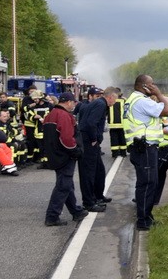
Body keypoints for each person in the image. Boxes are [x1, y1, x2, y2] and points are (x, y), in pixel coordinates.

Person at [124, 74, 168, 231]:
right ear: (144, 86)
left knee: (147, 183)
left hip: (141, 147)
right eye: (152, 84)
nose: (154, 86)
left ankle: (147, 216)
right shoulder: (142, 101)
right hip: (145, 148)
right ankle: (143, 220)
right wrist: (158, 94)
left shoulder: (132, 99)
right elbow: (167, 111)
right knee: (148, 184)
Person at [42, 92, 88, 226]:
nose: (74, 105)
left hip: (55, 155)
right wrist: (76, 151)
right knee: (63, 186)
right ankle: (52, 216)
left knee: (66, 184)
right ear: (68, 102)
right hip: (65, 156)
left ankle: (75, 211)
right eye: (73, 102)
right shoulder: (64, 116)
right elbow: (67, 138)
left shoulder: (50, 115)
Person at [77, 86, 117, 212]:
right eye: (114, 100)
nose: (114, 103)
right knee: (88, 173)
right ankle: (88, 202)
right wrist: (94, 138)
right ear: (110, 97)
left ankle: (97, 196)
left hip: (90, 142)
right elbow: (90, 123)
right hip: (88, 142)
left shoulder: (98, 104)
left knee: (99, 170)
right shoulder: (100, 105)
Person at [108, 88, 127, 157]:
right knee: (122, 138)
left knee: (114, 139)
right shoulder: (124, 101)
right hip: (122, 124)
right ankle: (123, 152)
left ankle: (115, 153)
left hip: (112, 125)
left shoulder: (110, 101)